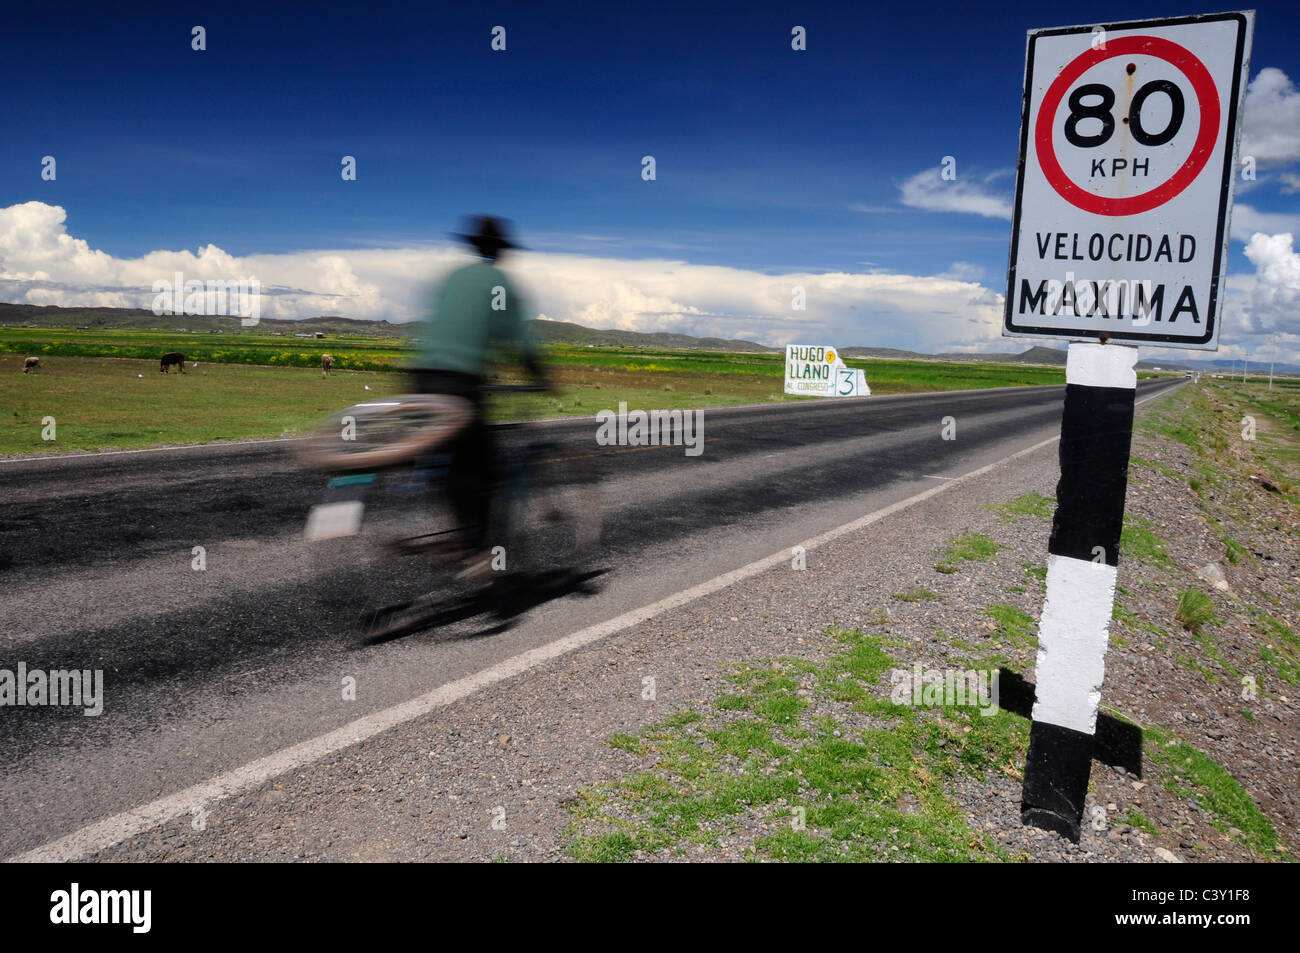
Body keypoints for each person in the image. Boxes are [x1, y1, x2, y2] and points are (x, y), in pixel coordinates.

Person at [417, 215, 549, 580]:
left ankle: (455, 533)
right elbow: (520, 343)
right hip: (459, 385)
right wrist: (541, 378)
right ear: (501, 250)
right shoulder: (498, 281)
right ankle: (478, 550)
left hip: (420, 378)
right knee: (482, 466)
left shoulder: (453, 277)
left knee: (441, 459)